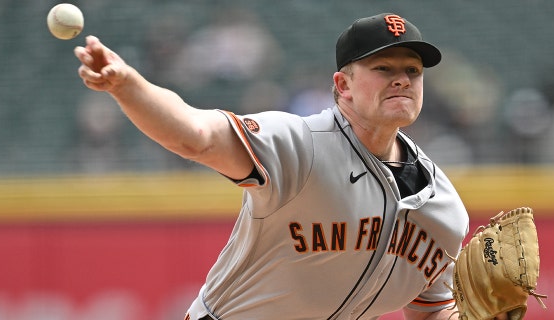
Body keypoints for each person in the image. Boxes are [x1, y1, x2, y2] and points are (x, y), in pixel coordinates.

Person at [75, 12, 509, 320]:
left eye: (412, 71)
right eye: (383, 67)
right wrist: (129, 86)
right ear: (343, 86)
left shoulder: (443, 207)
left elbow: (432, 310)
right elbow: (195, 135)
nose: (402, 79)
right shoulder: (298, 144)